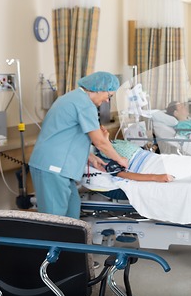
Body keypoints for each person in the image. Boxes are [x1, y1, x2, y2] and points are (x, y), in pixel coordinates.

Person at [29, 72, 129, 219]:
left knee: (71, 213)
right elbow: (100, 142)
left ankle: (68, 241)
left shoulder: (73, 99)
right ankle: (54, 242)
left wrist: (91, 157)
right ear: (98, 89)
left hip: (60, 168)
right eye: (109, 95)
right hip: (52, 167)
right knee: (54, 221)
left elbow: (66, 134)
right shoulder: (84, 104)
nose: (107, 101)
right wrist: (121, 160)